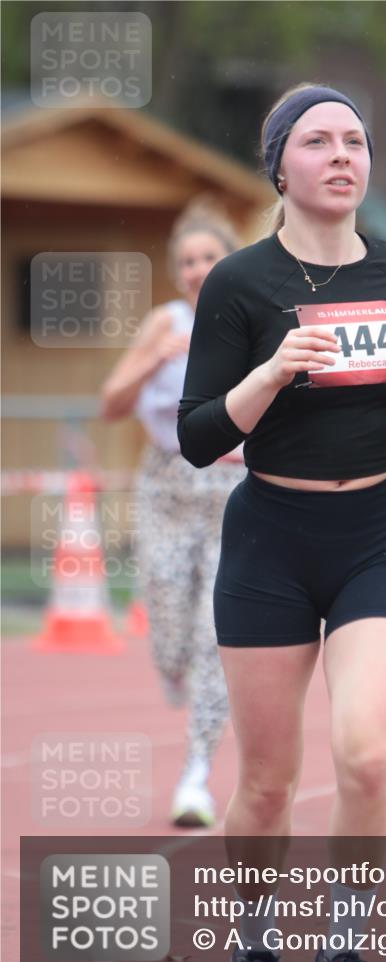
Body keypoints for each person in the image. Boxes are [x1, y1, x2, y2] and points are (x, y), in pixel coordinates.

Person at [178, 83, 386, 962]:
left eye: (354, 141)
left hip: (376, 536)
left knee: (367, 755)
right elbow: (197, 437)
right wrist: (269, 373)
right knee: (266, 783)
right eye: (317, 141)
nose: (341, 155)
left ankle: (341, 949)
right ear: (279, 168)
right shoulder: (239, 283)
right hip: (270, 543)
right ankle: (253, 950)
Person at [100, 198, 246, 827]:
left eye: (209, 257)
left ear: (230, 262)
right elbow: (110, 404)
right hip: (166, 485)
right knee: (166, 621)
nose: (197, 270)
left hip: (232, 489)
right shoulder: (162, 323)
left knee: (216, 634)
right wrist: (154, 357)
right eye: (187, 261)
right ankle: (170, 664)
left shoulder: (252, 321)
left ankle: (196, 775)